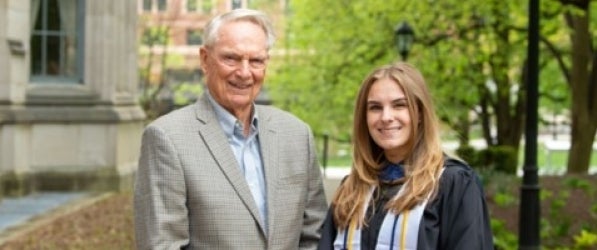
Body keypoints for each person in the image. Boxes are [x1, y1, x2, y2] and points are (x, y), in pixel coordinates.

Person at [134, 9, 328, 249]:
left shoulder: (297, 135)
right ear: (205, 59)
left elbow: (315, 236)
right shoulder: (167, 138)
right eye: (231, 59)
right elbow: (163, 244)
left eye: (256, 61)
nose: (244, 73)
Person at [318, 63, 494, 249]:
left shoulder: (453, 184)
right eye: (375, 107)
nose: (386, 117)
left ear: (419, 113)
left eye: (399, 105)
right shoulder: (352, 189)